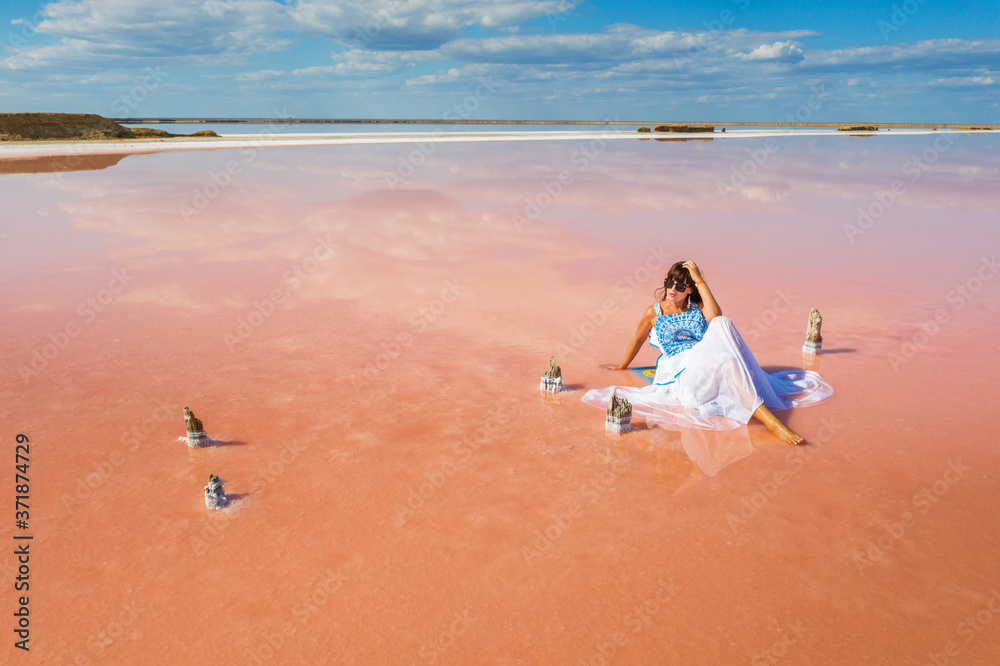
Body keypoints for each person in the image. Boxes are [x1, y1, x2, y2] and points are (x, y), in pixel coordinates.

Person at [582, 261, 832, 444]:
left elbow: (716, 315)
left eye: (680, 285)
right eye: (669, 283)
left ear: (690, 289)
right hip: (685, 374)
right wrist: (622, 366)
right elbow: (637, 339)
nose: (672, 289)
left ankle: (772, 421)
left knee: (722, 325)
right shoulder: (654, 312)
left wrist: (699, 278)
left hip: (709, 362)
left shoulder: (698, 308)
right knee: (728, 360)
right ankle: (773, 424)